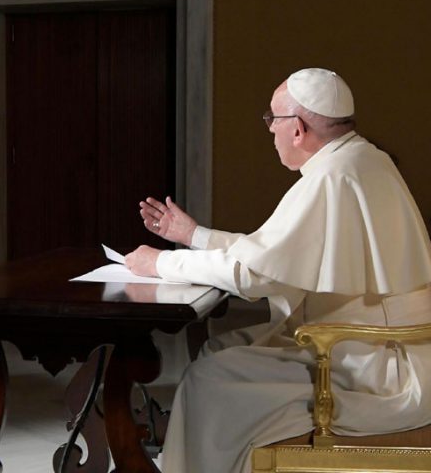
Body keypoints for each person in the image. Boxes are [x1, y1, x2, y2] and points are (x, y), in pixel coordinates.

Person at [125, 68, 431, 473]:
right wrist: (193, 235)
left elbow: (254, 276)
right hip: (374, 347)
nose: (270, 132)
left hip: (367, 368)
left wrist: (159, 262)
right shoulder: (362, 159)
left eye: (273, 120)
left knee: (206, 380)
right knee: (220, 350)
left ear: (299, 128)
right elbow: (270, 254)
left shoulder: (330, 177)